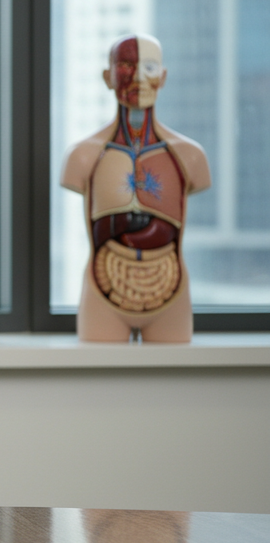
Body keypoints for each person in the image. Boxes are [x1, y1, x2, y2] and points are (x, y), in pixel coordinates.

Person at [61, 33, 210, 342]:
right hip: (103, 287)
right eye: (127, 65)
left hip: (170, 287)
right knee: (98, 386)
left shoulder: (189, 156)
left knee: (174, 387)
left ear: (163, 76)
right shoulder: (84, 155)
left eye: (150, 67)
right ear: (108, 76)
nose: (139, 77)